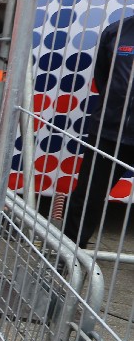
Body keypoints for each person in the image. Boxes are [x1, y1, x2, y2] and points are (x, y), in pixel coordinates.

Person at [60, 15, 134, 252]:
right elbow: (103, 77)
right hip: (109, 132)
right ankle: (68, 256)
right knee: (87, 197)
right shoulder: (117, 31)